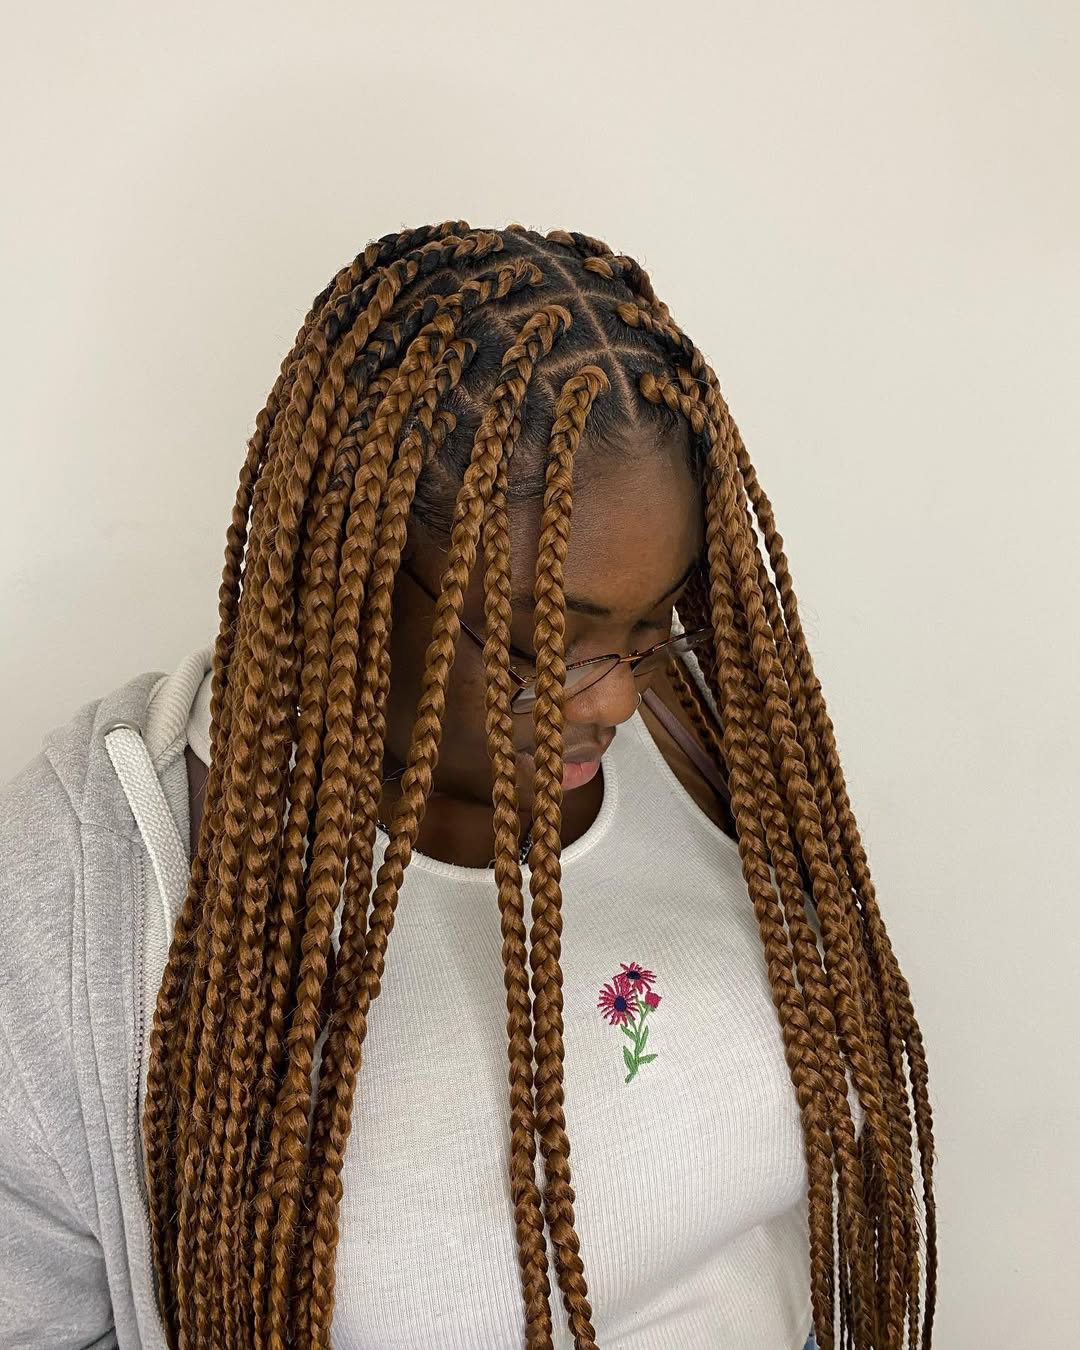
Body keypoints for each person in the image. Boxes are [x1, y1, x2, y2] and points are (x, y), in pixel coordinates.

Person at [0, 221, 936, 1350]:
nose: (618, 700)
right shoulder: (90, 897)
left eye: (652, 626)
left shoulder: (708, 738)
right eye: (552, 645)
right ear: (354, 566)